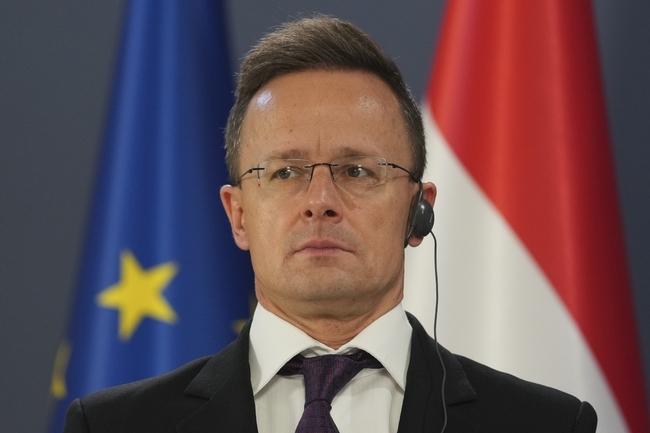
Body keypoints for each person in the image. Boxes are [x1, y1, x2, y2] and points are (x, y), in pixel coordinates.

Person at [63, 16, 597, 433]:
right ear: (239, 215)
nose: (320, 202)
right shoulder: (113, 426)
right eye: (285, 172)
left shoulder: (548, 425)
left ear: (418, 210)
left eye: (357, 171)